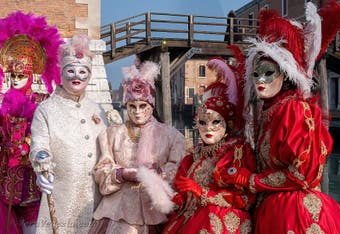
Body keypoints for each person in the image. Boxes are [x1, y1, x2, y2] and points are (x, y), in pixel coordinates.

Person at [219, 1, 340, 233]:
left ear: (286, 75)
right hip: (272, 208)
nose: (260, 80)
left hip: (293, 213)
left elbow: (302, 174)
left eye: (269, 73)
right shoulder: (270, 111)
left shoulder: (294, 110)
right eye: (256, 74)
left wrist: (250, 180)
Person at [88, 58, 186, 234]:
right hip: (116, 211)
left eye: (143, 105)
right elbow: (101, 169)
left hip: (154, 209)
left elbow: (179, 170)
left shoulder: (172, 136)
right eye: (132, 106)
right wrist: (121, 173)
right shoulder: (111, 134)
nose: (137, 111)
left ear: (151, 105)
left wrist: (159, 174)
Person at [162, 54, 256, 234]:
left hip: (221, 222)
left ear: (227, 126)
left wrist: (202, 193)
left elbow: (246, 199)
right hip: (189, 219)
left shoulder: (236, 153)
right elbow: (183, 188)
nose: (208, 129)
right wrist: (181, 197)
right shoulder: (193, 156)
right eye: (203, 123)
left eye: (215, 123)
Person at [29, 33, 108, 233]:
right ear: (62, 73)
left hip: (95, 199)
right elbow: (39, 144)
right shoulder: (46, 109)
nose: (76, 76)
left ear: (89, 75)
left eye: (83, 71)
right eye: (70, 70)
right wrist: (41, 166)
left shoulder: (97, 109)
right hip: (61, 195)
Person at [0, 11, 62, 233]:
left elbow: (50, 136)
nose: (16, 81)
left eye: (21, 77)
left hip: (31, 175)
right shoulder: (4, 101)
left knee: (33, 224)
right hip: (5, 173)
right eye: (13, 77)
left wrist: (27, 149)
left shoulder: (42, 102)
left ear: (31, 76)